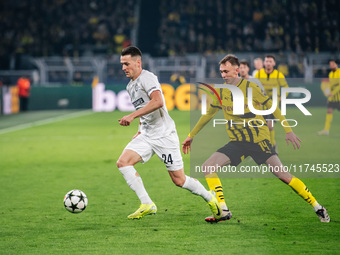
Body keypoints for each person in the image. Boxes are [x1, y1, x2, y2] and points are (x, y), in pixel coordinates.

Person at [182, 54, 330, 223]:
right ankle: (223, 210)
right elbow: (208, 114)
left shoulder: (251, 88)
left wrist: (288, 130)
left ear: (237, 71)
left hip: (258, 140)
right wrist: (191, 136)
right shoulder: (221, 91)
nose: (223, 75)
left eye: (226, 71)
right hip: (238, 142)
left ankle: (318, 207)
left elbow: (273, 108)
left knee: (282, 175)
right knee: (208, 166)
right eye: (221, 72)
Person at [116, 46, 221, 220]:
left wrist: (132, 116)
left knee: (179, 180)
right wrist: (139, 128)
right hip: (147, 134)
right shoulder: (130, 87)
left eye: (126, 64)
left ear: (138, 62)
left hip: (164, 135)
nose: (123, 68)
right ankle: (147, 204)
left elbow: (158, 101)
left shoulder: (147, 78)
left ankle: (210, 197)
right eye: (122, 64)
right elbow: (144, 109)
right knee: (123, 162)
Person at [255, 55, 289, 152]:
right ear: (264, 63)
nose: (268, 63)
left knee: (270, 126)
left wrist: (283, 96)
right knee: (260, 128)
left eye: (270, 61)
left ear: (274, 63)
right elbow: (253, 86)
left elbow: (285, 87)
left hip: (273, 104)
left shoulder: (278, 75)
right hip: (261, 105)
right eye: (267, 61)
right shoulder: (259, 74)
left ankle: (273, 146)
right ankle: (261, 149)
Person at [318, 59, 340, 136]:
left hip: (339, 98)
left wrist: (332, 93)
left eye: (333, 64)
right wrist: (329, 98)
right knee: (329, 111)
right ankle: (326, 130)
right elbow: (331, 87)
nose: (331, 65)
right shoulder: (331, 74)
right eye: (330, 64)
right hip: (333, 99)